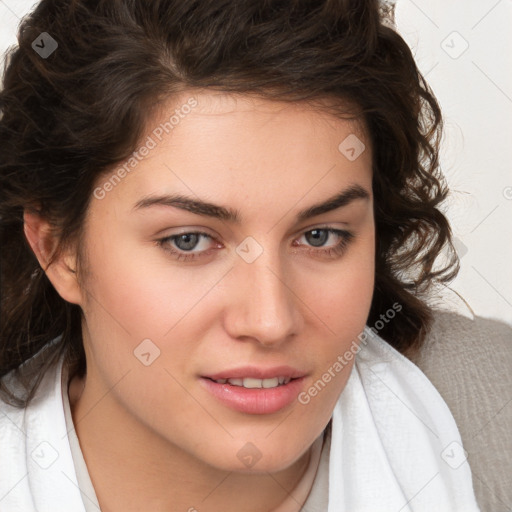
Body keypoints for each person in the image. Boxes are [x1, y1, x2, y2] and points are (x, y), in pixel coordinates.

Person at [0, 0, 481, 510]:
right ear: (58, 250)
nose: (270, 321)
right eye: (189, 240)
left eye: (320, 236)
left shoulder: (494, 413)